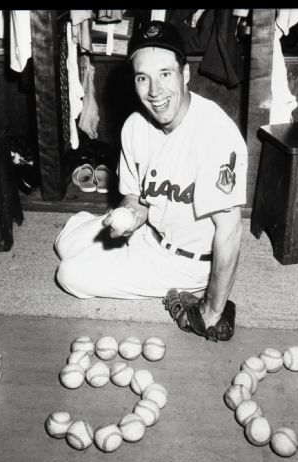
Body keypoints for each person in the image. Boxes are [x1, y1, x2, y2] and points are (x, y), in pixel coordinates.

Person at [54, 20, 247, 341]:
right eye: (143, 78)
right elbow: (136, 199)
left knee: (69, 274)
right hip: (150, 231)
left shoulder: (216, 134)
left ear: (185, 75)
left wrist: (212, 310)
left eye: (165, 74)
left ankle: (185, 290)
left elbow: (230, 232)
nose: (155, 92)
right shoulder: (134, 126)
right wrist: (129, 218)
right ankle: (119, 249)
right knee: (65, 243)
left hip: (186, 262)